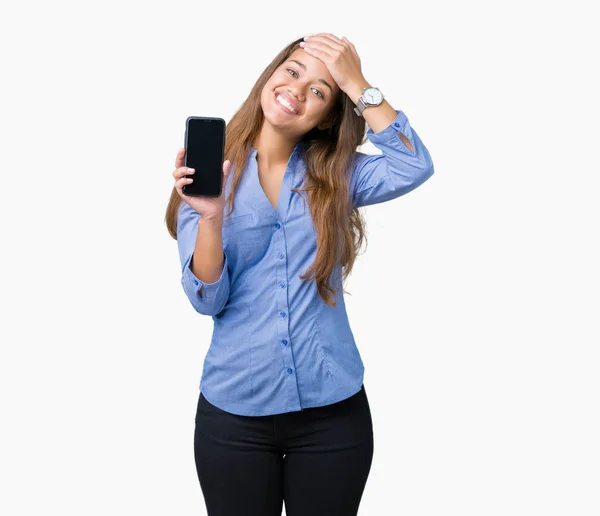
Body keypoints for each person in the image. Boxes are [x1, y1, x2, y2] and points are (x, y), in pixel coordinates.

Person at [165, 33, 434, 516]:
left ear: (330, 114)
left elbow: (414, 165)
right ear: (270, 75)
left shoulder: (337, 175)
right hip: (235, 417)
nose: (297, 89)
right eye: (292, 71)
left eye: (320, 90)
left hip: (332, 416)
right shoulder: (211, 172)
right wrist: (209, 215)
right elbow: (206, 300)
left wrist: (359, 84)